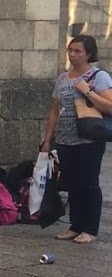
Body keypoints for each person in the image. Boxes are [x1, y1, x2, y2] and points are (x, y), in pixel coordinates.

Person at [42, 35, 112, 243]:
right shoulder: (63, 78)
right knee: (72, 184)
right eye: (70, 50)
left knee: (88, 184)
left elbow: (109, 106)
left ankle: (90, 228)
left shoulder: (98, 76)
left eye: (77, 51)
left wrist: (87, 91)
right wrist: (48, 139)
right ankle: (76, 225)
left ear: (88, 54)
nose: (72, 55)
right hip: (65, 139)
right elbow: (54, 110)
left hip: (89, 140)